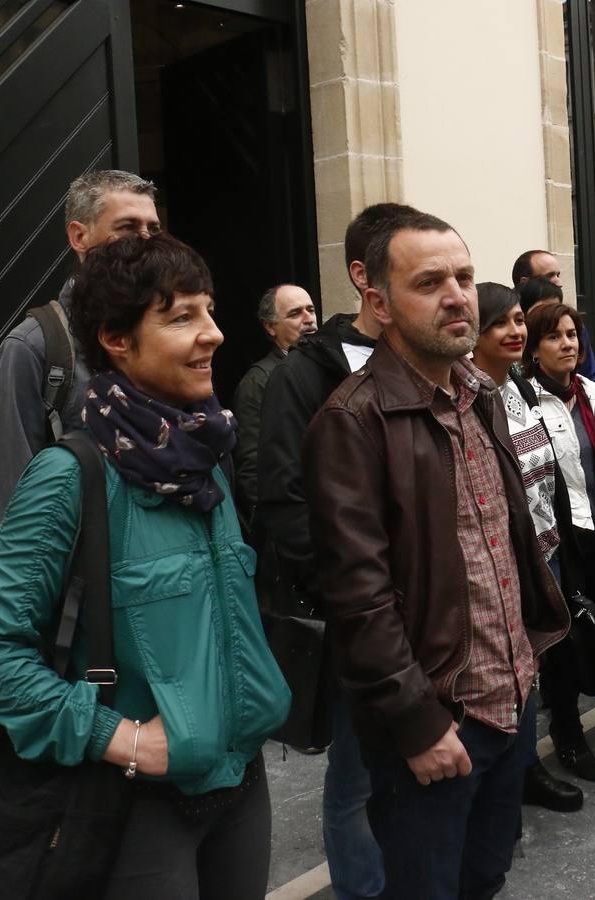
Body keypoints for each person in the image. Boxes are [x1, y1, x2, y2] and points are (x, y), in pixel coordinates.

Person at [0, 233, 291, 897]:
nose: (214, 334)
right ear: (117, 339)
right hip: (136, 804)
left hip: (241, 780)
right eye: (182, 317)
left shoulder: (202, 455)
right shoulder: (69, 476)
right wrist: (122, 739)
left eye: (210, 310)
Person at [306, 209, 570, 899]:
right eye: (429, 282)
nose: (457, 294)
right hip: (437, 723)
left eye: (462, 275)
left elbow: (505, 546)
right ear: (379, 303)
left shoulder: (480, 396)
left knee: (485, 877)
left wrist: (531, 660)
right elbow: (358, 597)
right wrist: (419, 724)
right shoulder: (352, 420)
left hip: (510, 703)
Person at [255, 203, 412, 900]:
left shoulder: (427, 360)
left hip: (430, 610)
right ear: (366, 278)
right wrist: (342, 598)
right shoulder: (303, 375)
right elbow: (285, 498)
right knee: (357, 778)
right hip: (359, 615)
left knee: (425, 767)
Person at [0, 169, 161, 527]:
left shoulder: (170, 334)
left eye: (153, 229)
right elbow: (16, 513)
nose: (145, 240)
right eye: (127, 227)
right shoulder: (31, 349)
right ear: (79, 236)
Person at [471, 283, 584, 814]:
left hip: (545, 550)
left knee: (537, 663)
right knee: (510, 672)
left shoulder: (515, 389)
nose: (516, 331)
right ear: (474, 333)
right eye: (502, 324)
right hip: (501, 562)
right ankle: (513, 776)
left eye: (519, 320)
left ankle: (525, 768)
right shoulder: (467, 397)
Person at [522, 301, 595, 785]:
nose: (568, 344)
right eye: (555, 336)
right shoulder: (525, 403)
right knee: (562, 640)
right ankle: (568, 731)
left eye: (573, 334)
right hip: (559, 538)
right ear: (535, 348)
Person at [232, 284, 316, 516]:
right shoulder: (258, 381)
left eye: (311, 310)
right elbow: (251, 467)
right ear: (270, 327)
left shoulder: (325, 368)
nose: (308, 319)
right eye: (295, 313)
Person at [513, 249, 595, 379]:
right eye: (549, 276)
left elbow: (589, 374)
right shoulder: (512, 331)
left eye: (558, 275)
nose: (559, 283)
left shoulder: (574, 324)